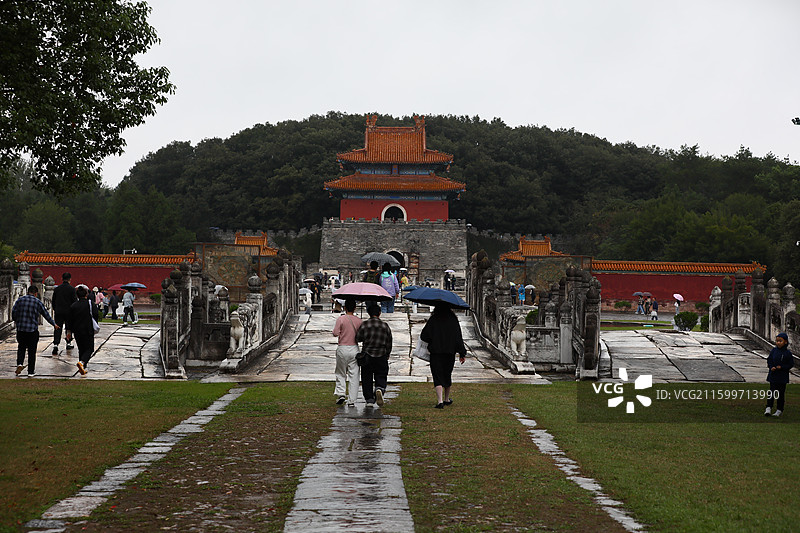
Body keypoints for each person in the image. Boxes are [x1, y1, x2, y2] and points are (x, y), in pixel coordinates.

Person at [420, 303, 467, 409]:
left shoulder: (433, 319)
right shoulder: (453, 320)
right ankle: (446, 399)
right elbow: (458, 337)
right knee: (447, 375)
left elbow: (424, 335)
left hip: (436, 352)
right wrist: (462, 353)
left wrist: (432, 340)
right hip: (450, 352)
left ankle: (440, 401)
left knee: (437, 375)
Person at [12, 285, 60, 377]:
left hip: (21, 329)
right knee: (32, 351)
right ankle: (30, 372)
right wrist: (54, 324)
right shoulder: (37, 302)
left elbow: (13, 313)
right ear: (36, 293)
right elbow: (46, 314)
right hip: (32, 330)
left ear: (28, 292)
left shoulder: (20, 300)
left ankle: (20, 364)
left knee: (21, 347)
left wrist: (17, 321)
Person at [356, 303, 392, 407]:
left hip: (367, 354)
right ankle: (379, 388)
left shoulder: (365, 325)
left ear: (368, 313)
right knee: (381, 374)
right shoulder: (385, 326)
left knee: (366, 377)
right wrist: (387, 353)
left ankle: (369, 399)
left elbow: (358, 338)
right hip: (381, 354)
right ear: (379, 313)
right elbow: (389, 341)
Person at [332, 298, 362, 406]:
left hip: (342, 347)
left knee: (340, 372)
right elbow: (361, 336)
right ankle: (352, 400)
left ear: (344, 308)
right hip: (354, 348)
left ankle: (341, 393)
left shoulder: (341, 319)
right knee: (354, 374)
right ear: (355, 308)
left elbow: (335, 333)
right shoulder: (359, 321)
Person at [66, 285, 99, 375]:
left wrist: (69, 332)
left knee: (81, 348)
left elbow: (69, 320)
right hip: (88, 329)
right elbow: (96, 314)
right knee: (89, 349)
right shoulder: (90, 304)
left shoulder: (73, 306)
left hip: (77, 330)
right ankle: (82, 362)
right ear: (86, 294)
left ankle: (83, 367)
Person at [765, 332, 794, 417]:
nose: (778, 343)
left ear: (785, 342)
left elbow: (790, 364)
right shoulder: (774, 351)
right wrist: (771, 367)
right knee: (772, 392)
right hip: (773, 375)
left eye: (780, 341)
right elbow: (769, 360)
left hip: (782, 376)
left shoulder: (787, 353)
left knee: (780, 393)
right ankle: (768, 407)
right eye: (777, 341)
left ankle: (779, 409)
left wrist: (782, 367)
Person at [51, 272, 77, 354]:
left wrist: (55, 309)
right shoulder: (72, 289)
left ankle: (56, 344)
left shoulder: (57, 289)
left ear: (62, 279)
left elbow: (53, 301)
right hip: (69, 312)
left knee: (57, 327)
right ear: (70, 279)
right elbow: (74, 301)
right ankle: (68, 342)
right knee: (68, 328)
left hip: (59, 311)